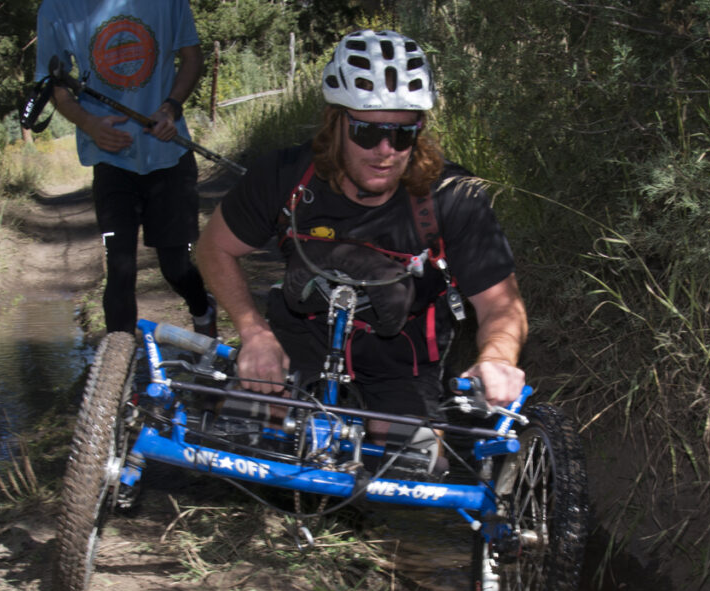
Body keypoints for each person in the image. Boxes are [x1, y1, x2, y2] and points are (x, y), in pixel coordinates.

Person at [193, 29, 526, 432]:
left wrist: (497, 359)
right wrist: (253, 331)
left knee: (416, 465)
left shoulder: (454, 196)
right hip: (298, 344)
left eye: (403, 134)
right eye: (368, 132)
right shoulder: (285, 175)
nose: (385, 151)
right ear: (336, 123)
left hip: (402, 360)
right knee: (246, 433)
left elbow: (501, 306)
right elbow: (214, 248)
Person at [35, 0, 216, 337]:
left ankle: (204, 317)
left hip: (168, 153)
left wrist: (171, 107)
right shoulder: (59, 4)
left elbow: (191, 57)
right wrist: (91, 125)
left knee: (176, 266)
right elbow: (55, 88)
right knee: (120, 268)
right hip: (111, 160)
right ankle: (116, 382)